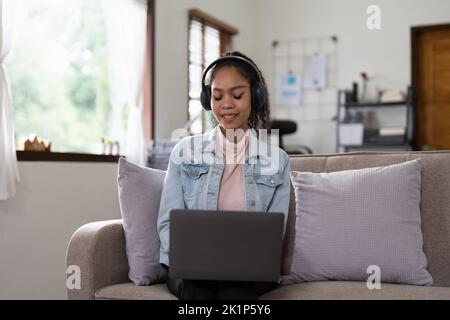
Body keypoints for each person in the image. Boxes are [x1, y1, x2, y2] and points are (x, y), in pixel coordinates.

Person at [157, 51, 291, 300]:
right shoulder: (184, 152)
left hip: (249, 270)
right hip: (192, 270)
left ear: (256, 96)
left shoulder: (278, 160)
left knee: (234, 294)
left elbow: (275, 233)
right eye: (218, 96)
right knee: (198, 293)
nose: (226, 104)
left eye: (238, 95)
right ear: (209, 100)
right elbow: (167, 222)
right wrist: (187, 259)